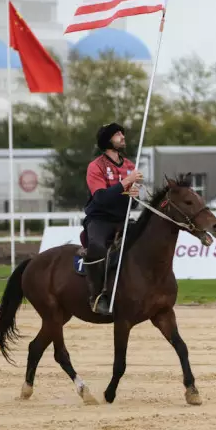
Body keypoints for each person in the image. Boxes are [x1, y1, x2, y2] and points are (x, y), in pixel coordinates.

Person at [82, 122, 143, 315]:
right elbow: (100, 198)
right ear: (107, 140)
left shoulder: (129, 166)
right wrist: (126, 182)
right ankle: (98, 296)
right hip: (100, 220)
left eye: (122, 134)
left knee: (145, 244)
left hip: (123, 219)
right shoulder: (95, 166)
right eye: (117, 134)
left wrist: (134, 196)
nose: (123, 137)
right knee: (98, 248)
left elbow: (133, 204)